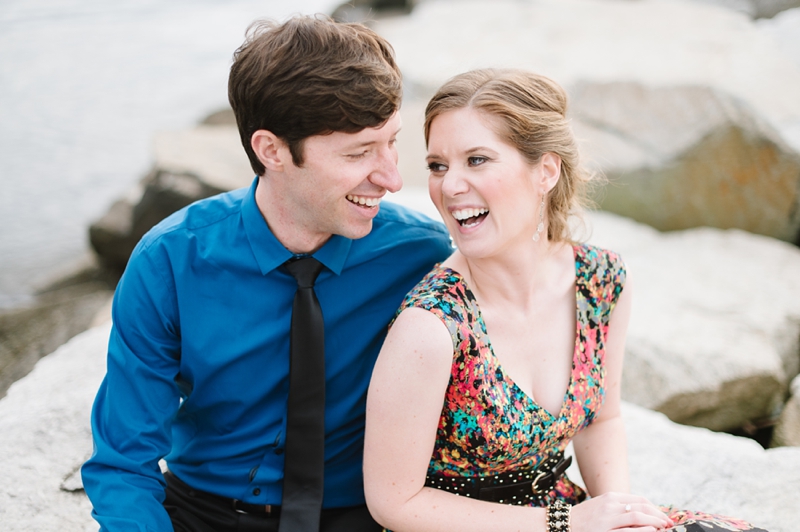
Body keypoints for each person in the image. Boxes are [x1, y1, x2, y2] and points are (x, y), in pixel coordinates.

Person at [81, 15, 452, 532]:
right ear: (271, 150)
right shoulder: (169, 261)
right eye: (358, 152)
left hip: (366, 516)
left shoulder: (424, 256)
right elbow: (124, 462)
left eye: (391, 141)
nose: (391, 176)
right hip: (206, 514)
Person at [363, 68, 769, 532]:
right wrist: (563, 523)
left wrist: (619, 515)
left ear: (546, 171)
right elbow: (394, 503)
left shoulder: (601, 282)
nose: (449, 186)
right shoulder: (431, 326)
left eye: (476, 160)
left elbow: (601, 419)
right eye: (438, 165)